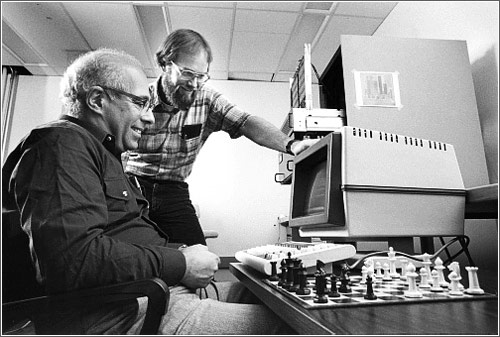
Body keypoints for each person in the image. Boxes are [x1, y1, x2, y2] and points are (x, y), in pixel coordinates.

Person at [2, 48, 295, 335]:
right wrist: (181, 262)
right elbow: (73, 261)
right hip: (127, 310)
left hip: (155, 292)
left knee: (281, 302)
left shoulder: (102, 152)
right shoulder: (60, 146)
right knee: (291, 327)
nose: (150, 117)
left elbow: (122, 238)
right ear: (96, 99)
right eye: (140, 103)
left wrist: (180, 253)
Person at [123, 28, 317, 246]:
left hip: (173, 192)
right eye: (187, 73)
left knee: (199, 261)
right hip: (132, 188)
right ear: (165, 65)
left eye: (201, 76)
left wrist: (292, 144)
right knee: (134, 256)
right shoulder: (140, 100)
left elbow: (244, 121)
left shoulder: (207, 99)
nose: (194, 84)